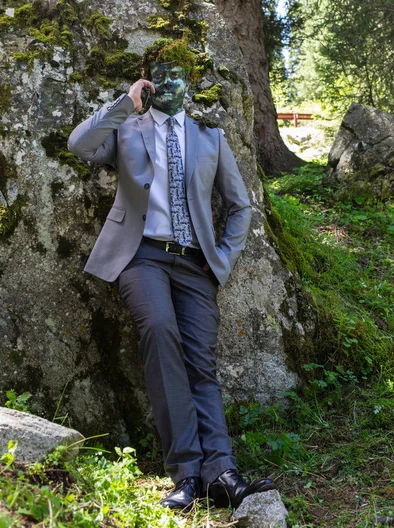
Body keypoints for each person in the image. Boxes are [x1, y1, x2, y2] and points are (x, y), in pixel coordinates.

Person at [67, 40, 275, 510]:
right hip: (140, 256)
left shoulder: (209, 138)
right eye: (159, 74)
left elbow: (240, 206)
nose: (170, 82)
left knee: (202, 361)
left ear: (191, 83)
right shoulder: (127, 129)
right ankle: (186, 474)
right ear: (149, 81)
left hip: (195, 263)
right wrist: (124, 102)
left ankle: (221, 472)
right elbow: (78, 145)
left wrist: (221, 257)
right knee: (160, 335)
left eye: (178, 74)